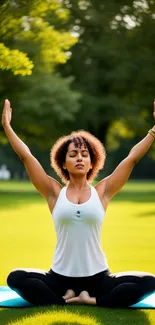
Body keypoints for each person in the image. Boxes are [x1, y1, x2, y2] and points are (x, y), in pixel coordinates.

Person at [1, 98, 155, 308]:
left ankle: (90, 300)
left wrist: (153, 131)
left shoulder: (103, 192)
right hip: (60, 277)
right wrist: (7, 127)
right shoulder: (53, 192)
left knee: (149, 282)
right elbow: (26, 157)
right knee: (16, 278)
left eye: (84, 155)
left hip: (98, 278)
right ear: (63, 162)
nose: (79, 158)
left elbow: (131, 159)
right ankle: (63, 298)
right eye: (73, 155)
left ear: (92, 162)